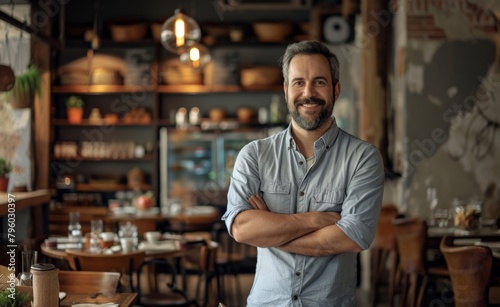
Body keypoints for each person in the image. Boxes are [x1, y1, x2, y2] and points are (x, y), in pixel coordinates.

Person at [222, 40, 385, 306]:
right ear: (286, 91)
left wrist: (270, 231)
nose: (308, 93)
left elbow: (353, 236)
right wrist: (318, 220)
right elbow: (241, 228)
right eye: (298, 82)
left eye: (319, 82)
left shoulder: (363, 158)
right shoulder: (254, 155)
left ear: (336, 89)